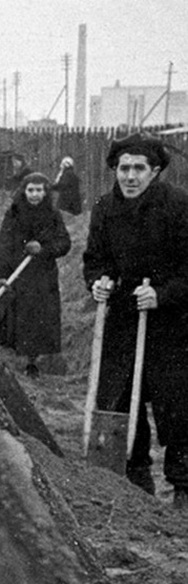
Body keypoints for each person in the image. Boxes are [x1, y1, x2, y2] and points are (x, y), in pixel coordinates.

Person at [83, 132, 188, 505]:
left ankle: (183, 486)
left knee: (177, 405)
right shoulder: (105, 208)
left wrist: (162, 294)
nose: (129, 176)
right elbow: (95, 259)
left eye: (138, 169)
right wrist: (99, 282)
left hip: (174, 324)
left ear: (154, 171)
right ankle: (135, 478)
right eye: (123, 168)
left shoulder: (178, 207)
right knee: (122, 398)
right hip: (125, 319)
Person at [0, 172, 72, 377]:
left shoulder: (53, 215)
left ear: (45, 192)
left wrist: (42, 248)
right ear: (24, 191)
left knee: (38, 317)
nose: (34, 194)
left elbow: (64, 243)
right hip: (18, 273)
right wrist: (2, 273)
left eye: (39, 190)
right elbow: (4, 245)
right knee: (17, 315)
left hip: (43, 276)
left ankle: (33, 362)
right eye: (30, 190)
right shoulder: (14, 213)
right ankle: (14, 358)